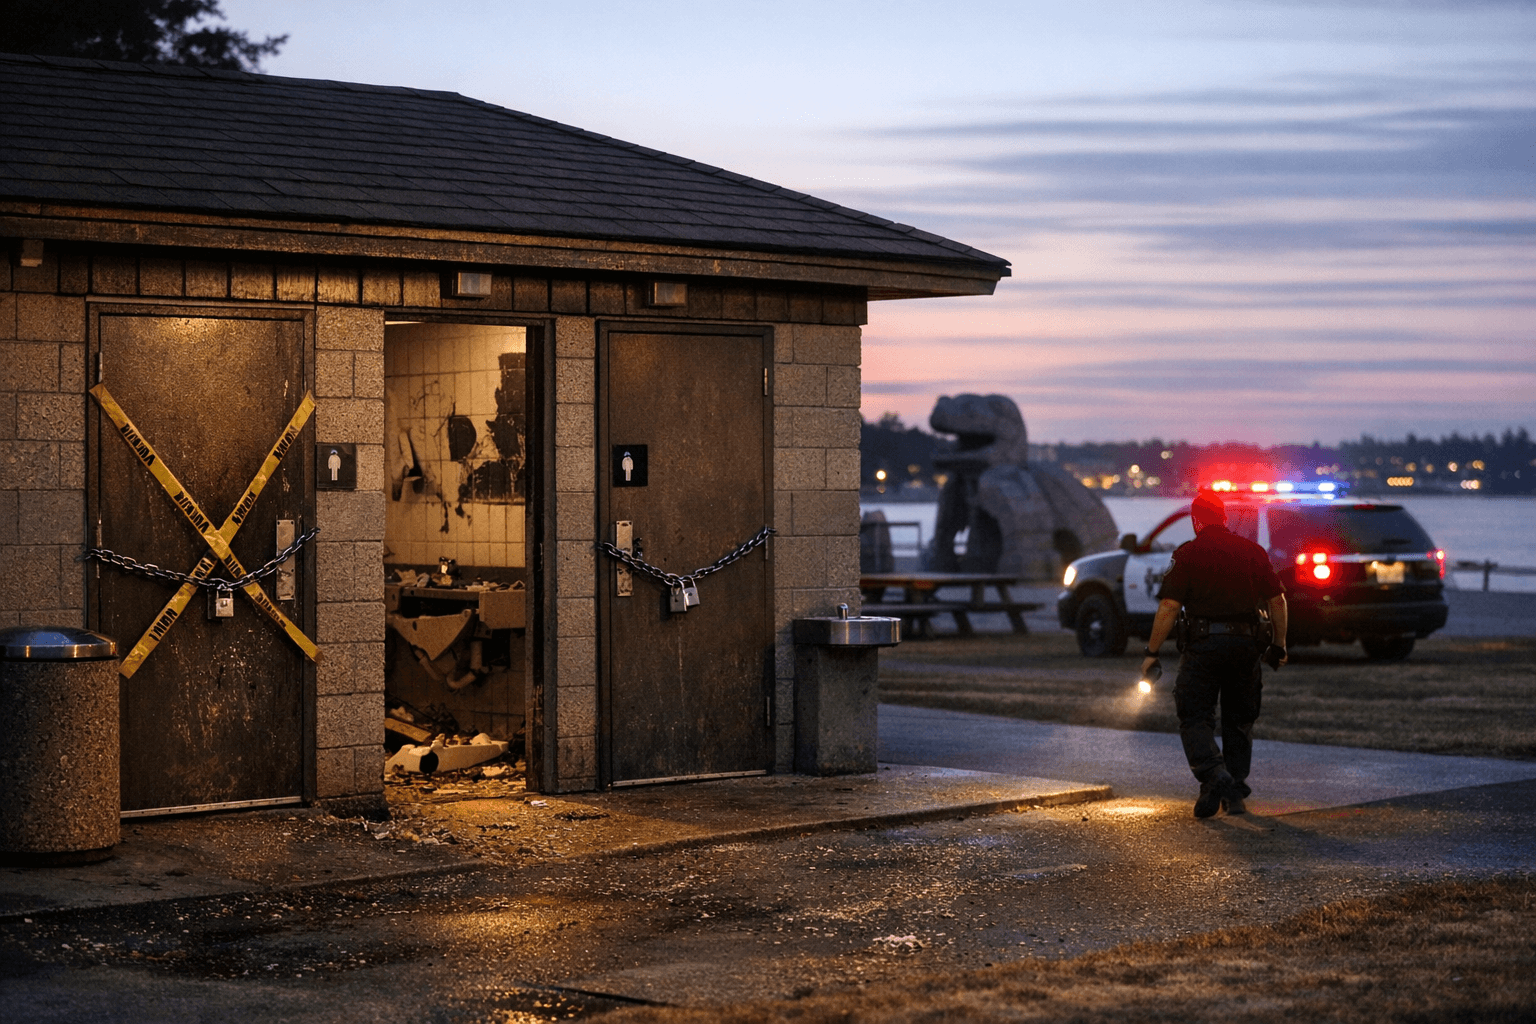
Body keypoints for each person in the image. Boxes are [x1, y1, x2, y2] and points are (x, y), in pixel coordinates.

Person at [1139, 491, 1288, 818]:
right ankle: (1232, 793)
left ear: (1195, 521)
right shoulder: (1252, 552)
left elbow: (1169, 606)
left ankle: (1213, 774)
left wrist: (1152, 652)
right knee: (1239, 719)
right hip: (1246, 648)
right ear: (1224, 518)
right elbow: (1277, 601)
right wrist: (1279, 645)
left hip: (1203, 648)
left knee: (1194, 714)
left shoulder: (1188, 554)